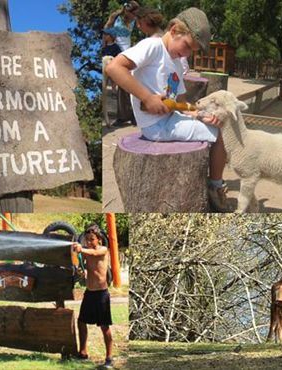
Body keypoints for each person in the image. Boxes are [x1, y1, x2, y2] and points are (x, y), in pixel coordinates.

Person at [106, 7, 229, 212]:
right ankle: (215, 186)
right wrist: (147, 97)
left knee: (219, 125)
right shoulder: (152, 46)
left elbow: (181, 101)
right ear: (173, 30)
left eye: (193, 51)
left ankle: (212, 181)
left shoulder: (177, 63)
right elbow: (114, 68)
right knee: (222, 134)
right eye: (188, 46)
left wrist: (199, 115)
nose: (188, 53)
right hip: (157, 127)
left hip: (170, 119)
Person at [73, 225, 113, 368]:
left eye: (92, 239)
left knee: (104, 326)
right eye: (87, 239)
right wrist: (79, 268)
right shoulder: (87, 251)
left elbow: (93, 253)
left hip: (101, 294)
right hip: (89, 293)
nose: (89, 242)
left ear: (99, 239)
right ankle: (82, 352)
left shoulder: (103, 250)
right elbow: (80, 261)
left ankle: (109, 358)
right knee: (81, 321)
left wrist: (81, 248)